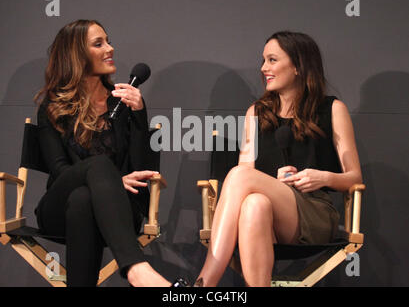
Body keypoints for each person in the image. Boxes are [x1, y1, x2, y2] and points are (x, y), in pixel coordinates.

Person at [194, 31, 363, 287]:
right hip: (270, 216)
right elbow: (246, 171)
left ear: (297, 66)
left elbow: (354, 178)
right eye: (263, 61)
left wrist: (323, 177)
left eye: (272, 60)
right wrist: (272, 183)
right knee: (254, 204)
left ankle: (204, 283)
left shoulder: (332, 109)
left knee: (241, 177)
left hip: (314, 212)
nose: (264, 68)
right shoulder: (257, 112)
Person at [34, 19, 172, 287]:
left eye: (108, 41)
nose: (110, 48)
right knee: (94, 170)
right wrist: (111, 180)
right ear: (76, 56)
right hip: (56, 211)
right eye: (99, 44)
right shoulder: (53, 107)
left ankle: (136, 272)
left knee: (84, 199)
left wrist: (139, 115)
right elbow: (60, 171)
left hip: (117, 211)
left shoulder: (123, 101)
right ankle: (137, 269)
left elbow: (141, 170)